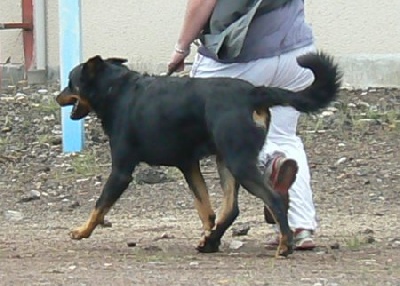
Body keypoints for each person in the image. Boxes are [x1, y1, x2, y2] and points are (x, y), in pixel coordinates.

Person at [167, 0, 317, 250]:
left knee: (209, 131)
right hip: (297, 54)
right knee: (283, 136)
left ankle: (269, 167)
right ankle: (300, 226)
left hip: (238, 59)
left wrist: (181, 48)